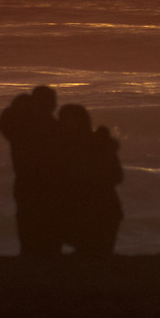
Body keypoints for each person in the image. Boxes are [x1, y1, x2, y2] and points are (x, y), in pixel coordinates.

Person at [0, 85, 61, 260]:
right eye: (52, 101)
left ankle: (29, 253)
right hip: (44, 181)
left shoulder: (20, 125)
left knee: (26, 217)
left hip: (24, 179)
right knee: (45, 219)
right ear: (45, 102)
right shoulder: (45, 125)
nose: (55, 105)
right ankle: (45, 255)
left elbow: (5, 122)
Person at [55, 103, 124, 258]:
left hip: (101, 211)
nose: (65, 126)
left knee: (97, 256)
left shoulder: (96, 145)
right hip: (87, 213)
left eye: (68, 122)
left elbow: (117, 176)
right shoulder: (67, 148)